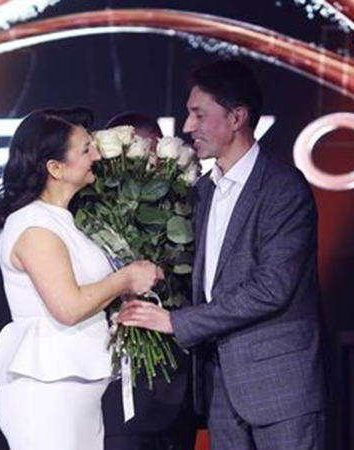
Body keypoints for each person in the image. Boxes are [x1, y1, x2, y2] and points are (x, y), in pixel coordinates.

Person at [118, 60, 327, 450]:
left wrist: (176, 321)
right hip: (220, 390)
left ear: (237, 117)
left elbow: (271, 288)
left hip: (281, 389)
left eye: (199, 114)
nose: (187, 126)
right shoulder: (202, 192)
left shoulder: (283, 189)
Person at [0, 108, 164, 450]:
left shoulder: (64, 219)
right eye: (85, 150)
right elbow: (68, 307)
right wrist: (126, 278)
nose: (97, 156)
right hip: (45, 393)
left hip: (73, 394)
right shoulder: (33, 225)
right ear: (55, 168)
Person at [101, 112, 197, 450]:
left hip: (178, 384)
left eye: (154, 153)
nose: (148, 164)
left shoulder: (188, 208)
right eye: (138, 154)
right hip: (119, 391)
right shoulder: (94, 213)